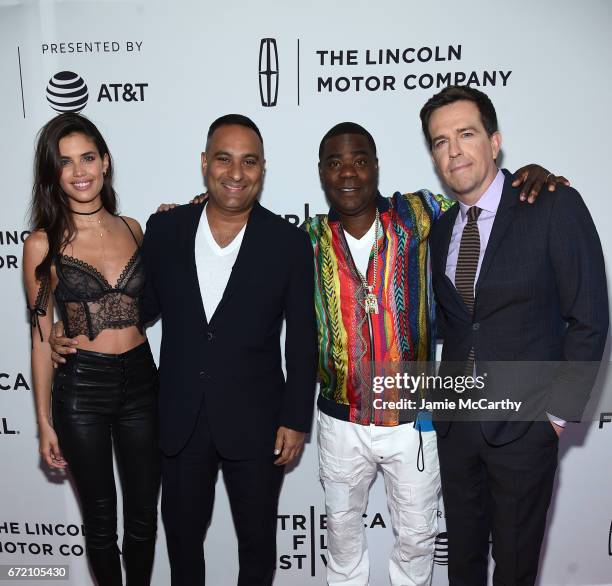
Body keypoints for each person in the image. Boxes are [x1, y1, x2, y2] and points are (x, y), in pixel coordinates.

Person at [303, 121, 565, 586]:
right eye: (335, 162)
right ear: (321, 172)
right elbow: (249, 237)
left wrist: (531, 177)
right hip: (339, 421)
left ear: (376, 167)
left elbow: (486, 198)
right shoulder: (307, 237)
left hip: (414, 420)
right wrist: (198, 210)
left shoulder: (420, 213)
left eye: (360, 160)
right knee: (342, 541)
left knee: (418, 541)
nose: (349, 172)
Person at [423, 85, 609, 585]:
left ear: (495, 141)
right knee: (461, 567)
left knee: (515, 570)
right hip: (456, 427)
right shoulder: (441, 230)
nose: (454, 149)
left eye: (465, 134)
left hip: (525, 429)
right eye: (440, 141)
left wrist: (553, 415)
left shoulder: (551, 205)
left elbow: (589, 317)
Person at [23, 113, 160, 586]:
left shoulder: (134, 227)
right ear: (52, 174)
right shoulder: (42, 244)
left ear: (105, 162)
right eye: (65, 163)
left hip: (143, 383)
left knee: (144, 517)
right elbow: (42, 338)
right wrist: (43, 422)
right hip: (83, 391)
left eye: (88, 158)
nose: (80, 171)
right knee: (102, 525)